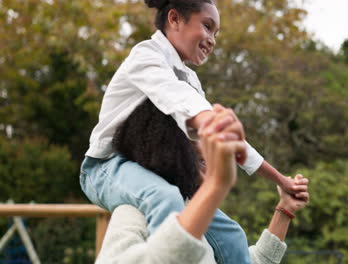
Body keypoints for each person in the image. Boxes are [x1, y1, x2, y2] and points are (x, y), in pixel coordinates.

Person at [80, 1, 307, 263]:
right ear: (175, 19)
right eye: (207, 27)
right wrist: (215, 125)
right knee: (163, 197)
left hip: (155, 174)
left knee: (233, 235)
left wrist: (282, 181)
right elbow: (179, 101)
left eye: (216, 33)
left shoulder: (189, 78)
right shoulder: (146, 56)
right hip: (105, 168)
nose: (212, 40)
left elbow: (232, 144)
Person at [95, 105, 309, 263]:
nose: (209, 168)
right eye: (200, 159)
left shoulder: (196, 212)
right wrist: (216, 186)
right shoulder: (133, 214)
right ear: (169, 157)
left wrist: (285, 210)